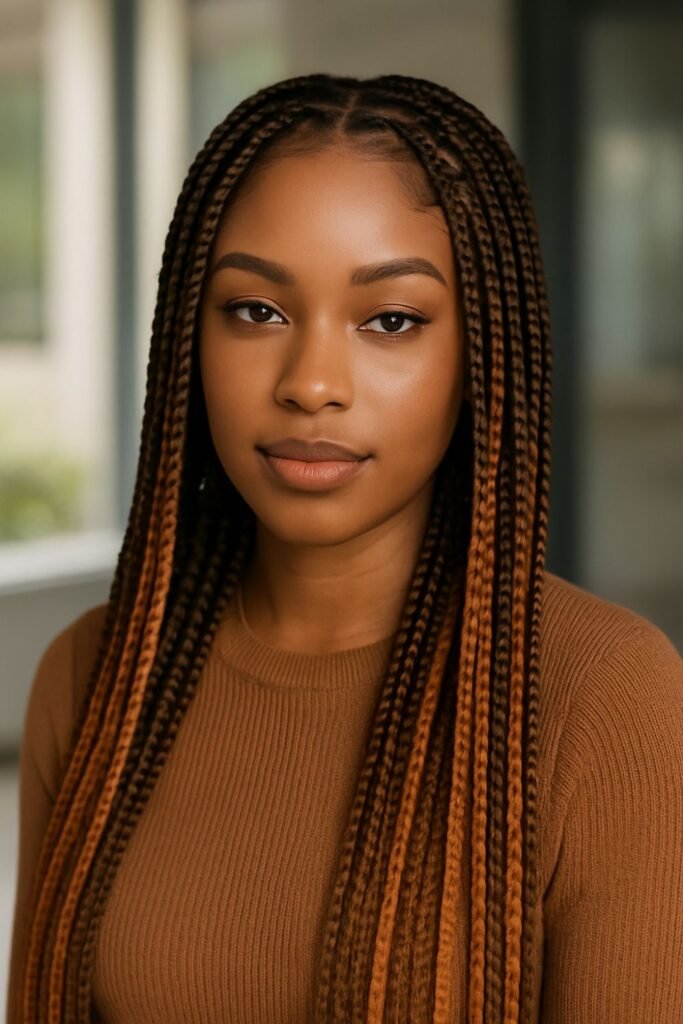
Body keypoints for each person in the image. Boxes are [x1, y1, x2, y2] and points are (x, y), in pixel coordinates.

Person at [6, 72, 683, 1024]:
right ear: (185, 340)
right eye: (256, 311)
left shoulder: (604, 696)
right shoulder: (93, 677)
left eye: (391, 321)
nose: (312, 383)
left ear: (480, 354)